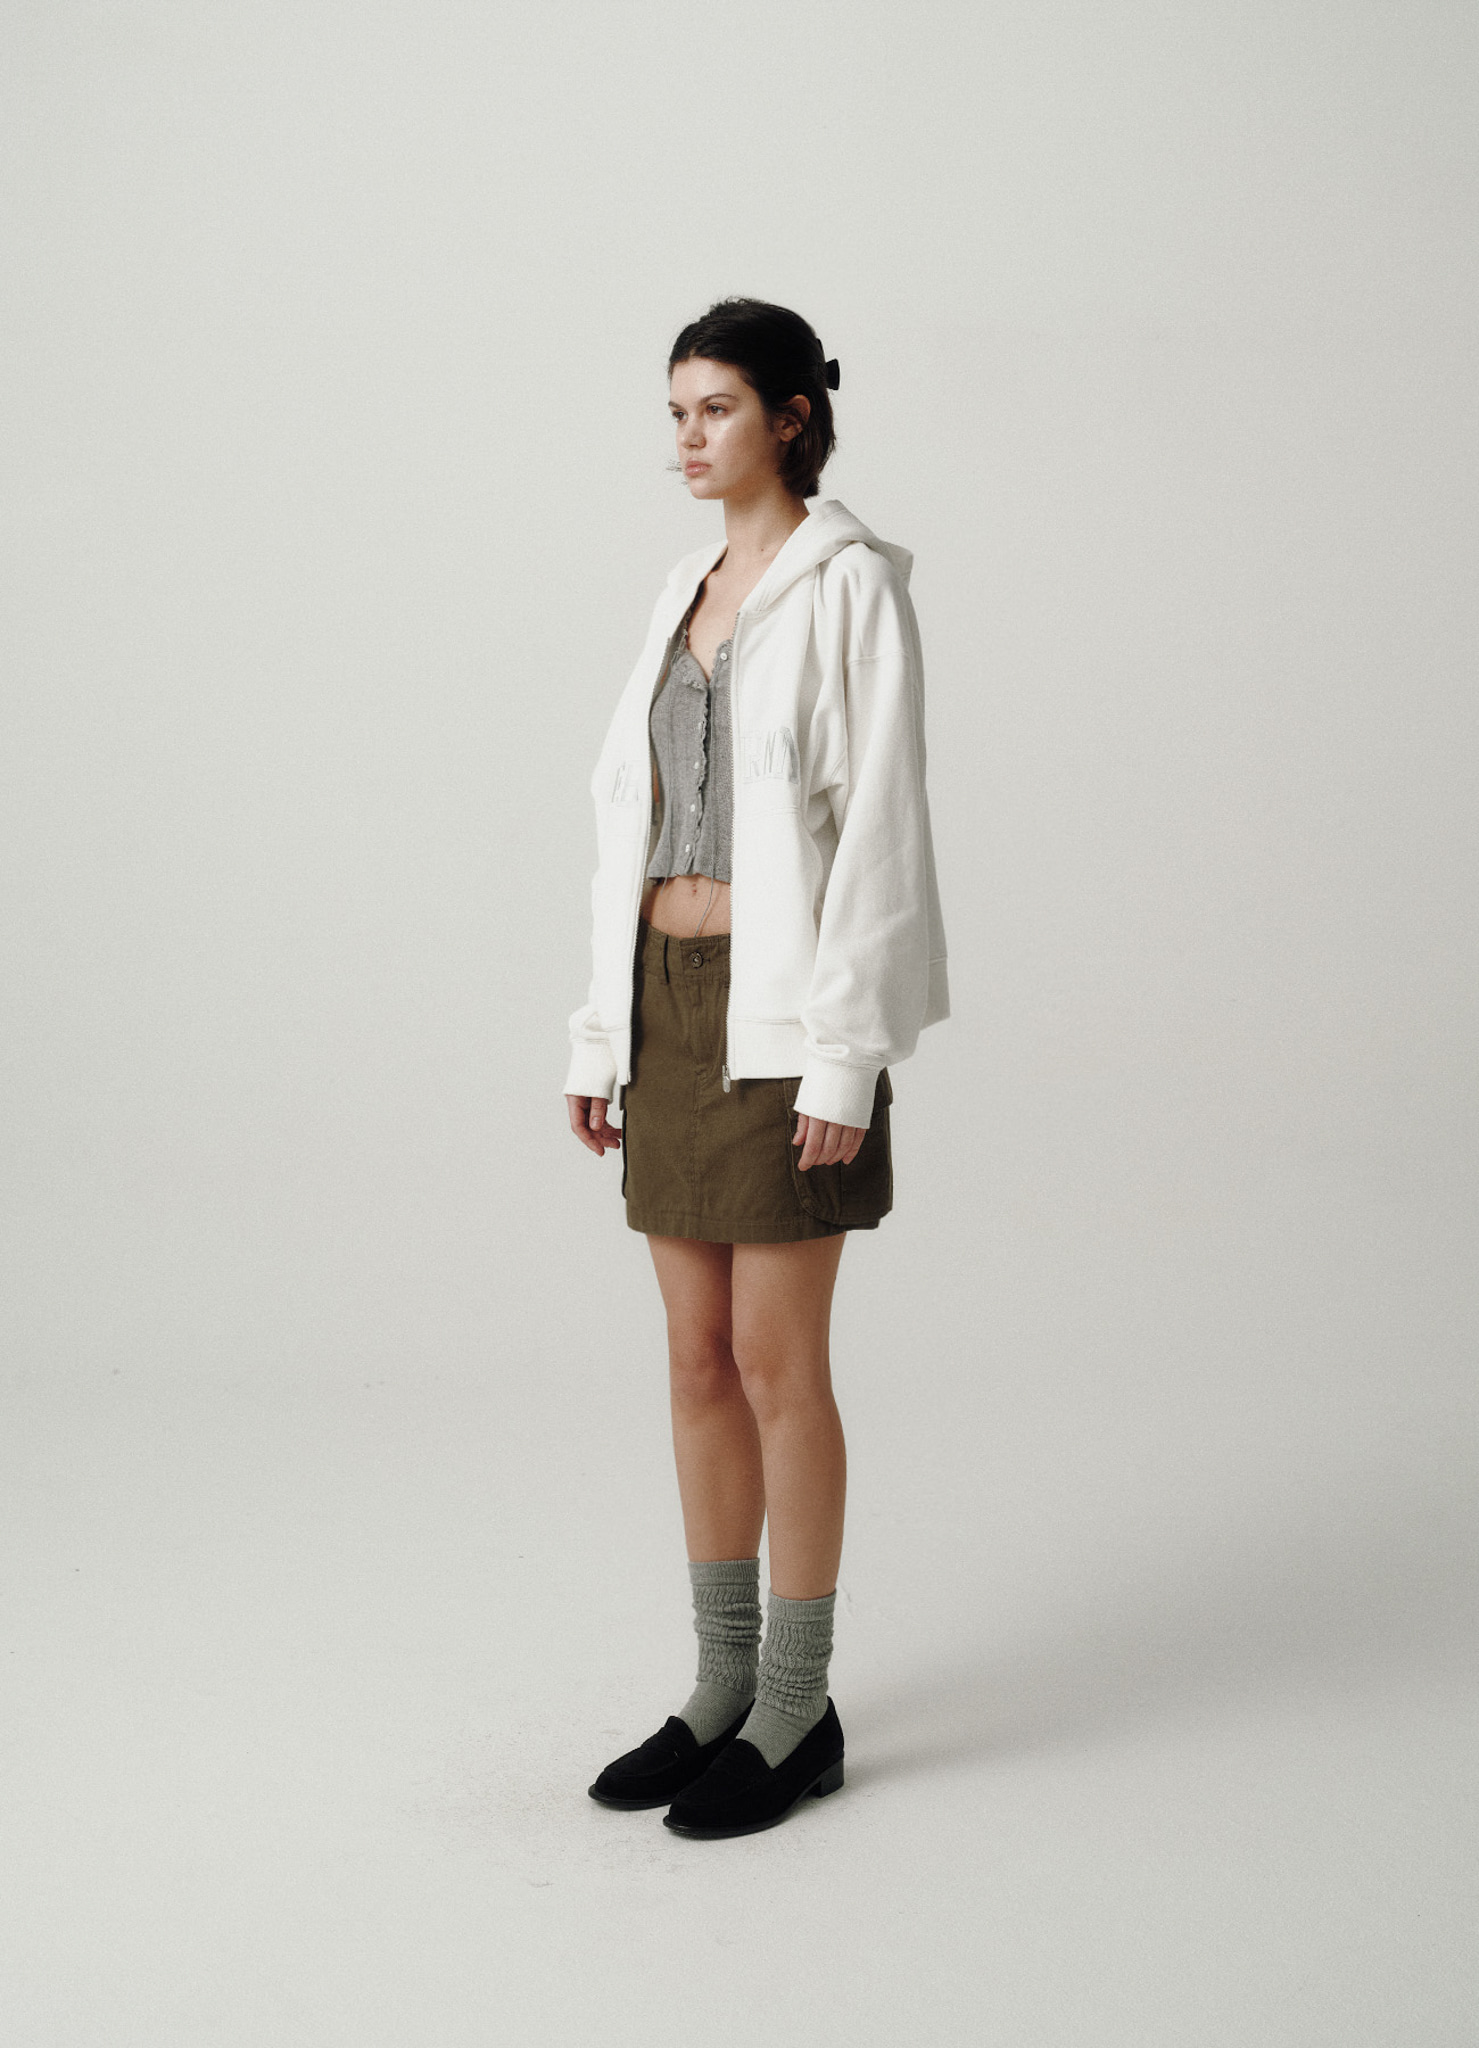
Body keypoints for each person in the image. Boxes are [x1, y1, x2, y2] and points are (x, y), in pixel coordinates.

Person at [564, 297, 949, 1839]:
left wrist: (846, 1061)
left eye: (715, 408)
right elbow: (628, 822)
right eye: (675, 412)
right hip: (666, 1007)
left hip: (786, 1013)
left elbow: (882, 832)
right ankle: (720, 1684)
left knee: (781, 1364)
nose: (687, 438)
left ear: (792, 417)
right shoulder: (683, 591)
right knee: (694, 1359)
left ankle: (798, 1702)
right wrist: (601, 1031)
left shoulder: (850, 586)